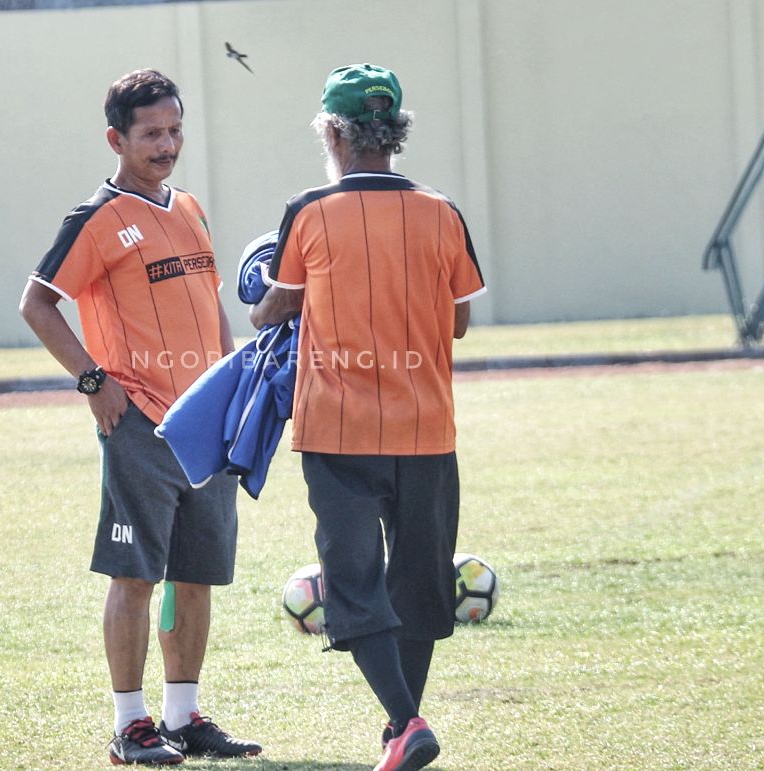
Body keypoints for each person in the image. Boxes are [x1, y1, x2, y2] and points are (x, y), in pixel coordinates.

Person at [18, 68, 260, 766]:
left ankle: (184, 716)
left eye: (175, 129)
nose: (166, 144)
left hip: (205, 425)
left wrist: (231, 378)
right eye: (151, 133)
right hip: (140, 424)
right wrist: (93, 380)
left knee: (196, 574)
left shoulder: (189, 207)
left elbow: (210, 299)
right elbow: (37, 303)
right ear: (115, 138)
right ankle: (132, 725)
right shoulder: (95, 219)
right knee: (134, 577)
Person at [251, 63, 486, 771]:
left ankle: (404, 720)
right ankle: (401, 728)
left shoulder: (308, 211)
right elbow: (461, 320)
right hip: (426, 428)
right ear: (396, 132)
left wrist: (259, 296)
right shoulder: (442, 211)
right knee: (419, 584)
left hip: (337, 428)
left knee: (353, 585)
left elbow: (277, 306)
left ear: (333, 131)